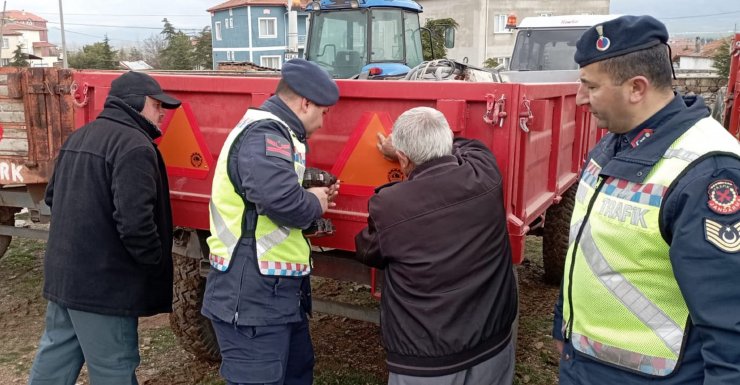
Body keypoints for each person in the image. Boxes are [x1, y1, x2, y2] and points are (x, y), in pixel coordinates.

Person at [553, 15, 740, 384]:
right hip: (586, 366)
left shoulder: (708, 172)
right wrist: (564, 329)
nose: (578, 98)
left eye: (589, 86)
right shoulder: (615, 142)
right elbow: (584, 246)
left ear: (636, 88)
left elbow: (730, 325)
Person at [28, 71, 180, 385]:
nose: (163, 112)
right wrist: (154, 262)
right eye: (156, 105)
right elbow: (135, 223)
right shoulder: (135, 147)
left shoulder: (80, 136)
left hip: (64, 277)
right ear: (135, 104)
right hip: (104, 286)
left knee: (56, 358)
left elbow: (53, 196)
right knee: (114, 367)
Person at [354, 107, 518, 385]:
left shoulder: (391, 206)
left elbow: (367, 250)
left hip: (428, 362)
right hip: (493, 345)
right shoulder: (486, 172)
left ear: (402, 160)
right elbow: (471, 147)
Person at [201, 58, 340, 385]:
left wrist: (304, 185)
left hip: (274, 296)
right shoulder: (267, 132)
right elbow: (276, 199)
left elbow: (265, 195)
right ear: (306, 103)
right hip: (251, 297)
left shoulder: (277, 133)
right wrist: (315, 202)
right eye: (324, 113)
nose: (322, 123)